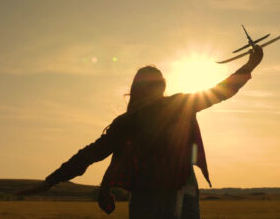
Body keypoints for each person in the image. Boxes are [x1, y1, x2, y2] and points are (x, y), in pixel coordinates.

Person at [18, 46, 264, 219]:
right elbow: (221, 91)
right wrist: (250, 64)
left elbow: (90, 154)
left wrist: (50, 182)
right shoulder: (172, 107)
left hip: (154, 195)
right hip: (174, 191)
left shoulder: (127, 122)